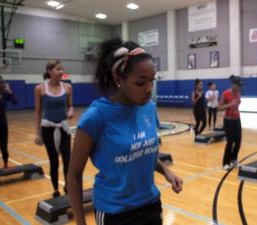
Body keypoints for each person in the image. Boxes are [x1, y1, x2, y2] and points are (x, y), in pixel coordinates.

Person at [67, 38, 183, 225]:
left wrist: (167, 172)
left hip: (151, 206)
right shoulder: (96, 117)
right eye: (140, 83)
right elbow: (73, 174)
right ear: (118, 79)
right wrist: (81, 223)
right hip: (115, 213)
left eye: (151, 80)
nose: (148, 89)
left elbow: (144, 151)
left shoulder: (149, 108)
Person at [34, 60, 74, 197]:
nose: (61, 72)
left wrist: (70, 111)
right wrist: (37, 134)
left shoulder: (67, 87)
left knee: (68, 159)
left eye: (62, 69)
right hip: (48, 129)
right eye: (58, 69)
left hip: (64, 128)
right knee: (54, 161)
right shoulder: (40, 88)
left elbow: (70, 106)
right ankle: (55, 189)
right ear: (50, 71)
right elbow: (38, 112)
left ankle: (68, 187)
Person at [219, 75, 243, 170]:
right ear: (233, 85)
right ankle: (226, 162)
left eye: (240, 86)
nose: (239, 88)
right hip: (228, 121)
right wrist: (230, 104)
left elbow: (238, 102)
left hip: (237, 119)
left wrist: (238, 102)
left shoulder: (238, 93)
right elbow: (219, 108)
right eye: (238, 86)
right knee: (230, 142)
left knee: (238, 141)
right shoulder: (225, 93)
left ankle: (234, 159)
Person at [0, 75, 17, 169]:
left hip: (3, 125)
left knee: (4, 146)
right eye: (0, 82)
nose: (3, 84)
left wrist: (10, 91)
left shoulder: (5, 94)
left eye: (3, 82)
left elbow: (15, 102)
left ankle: (6, 163)